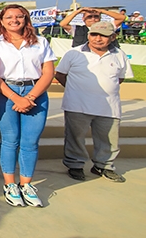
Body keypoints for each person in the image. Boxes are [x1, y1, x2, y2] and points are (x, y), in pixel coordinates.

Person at [0, 4, 57, 207]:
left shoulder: (40, 43)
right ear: (1, 21)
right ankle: (10, 185)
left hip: (35, 92)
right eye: (9, 17)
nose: (14, 20)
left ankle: (26, 184)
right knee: (10, 140)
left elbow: (48, 73)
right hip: (5, 93)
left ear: (26, 19)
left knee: (30, 141)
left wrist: (31, 96)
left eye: (19, 16)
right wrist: (15, 98)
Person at [55, 21, 133, 183]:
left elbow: (120, 77)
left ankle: (103, 166)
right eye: (94, 34)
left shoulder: (119, 55)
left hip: (109, 106)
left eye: (103, 36)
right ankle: (75, 165)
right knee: (75, 137)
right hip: (77, 104)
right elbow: (60, 74)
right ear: (89, 34)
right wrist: (75, 89)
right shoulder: (74, 53)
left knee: (109, 138)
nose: (98, 39)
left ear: (113, 37)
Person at [59, 7, 125, 47]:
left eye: (96, 16)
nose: (93, 19)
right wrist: (78, 11)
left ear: (100, 18)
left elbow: (121, 18)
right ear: (83, 19)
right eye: (89, 17)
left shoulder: (107, 27)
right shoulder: (76, 29)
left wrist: (102, 11)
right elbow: (63, 24)